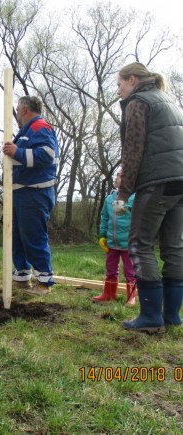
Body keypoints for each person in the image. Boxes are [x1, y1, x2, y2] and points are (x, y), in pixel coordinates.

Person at [115, 62, 183, 332]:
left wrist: (123, 192)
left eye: (120, 84)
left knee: (139, 244)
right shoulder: (168, 100)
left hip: (156, 183)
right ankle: (172, 316)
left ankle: (151, 317)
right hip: (179, 181)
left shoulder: (138, 102)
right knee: (174, 247)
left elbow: (133, 150)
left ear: (132, 80)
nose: (118, 91)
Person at [3, 95, 59, 295]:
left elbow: (47, 154)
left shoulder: (40, 127)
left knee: (33, 236)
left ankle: (44, 282)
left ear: (24, 109)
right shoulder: (24, 132)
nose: (17, 114)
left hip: (34, 192)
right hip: (20, 193)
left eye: (18, 109)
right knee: (17, 237)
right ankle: (22, 277)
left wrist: (17, 152)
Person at [93, 169, 136, 305]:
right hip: (112, 242)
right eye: (116, 175)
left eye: (120, 175)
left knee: (130, 270)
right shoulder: (110, 198)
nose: (116, 177)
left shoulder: (135, 198)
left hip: (128, 243)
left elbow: (139, 220)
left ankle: (131, 296)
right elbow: (104, 218)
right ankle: (109, 294)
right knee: (110, 268)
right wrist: (102, 235)